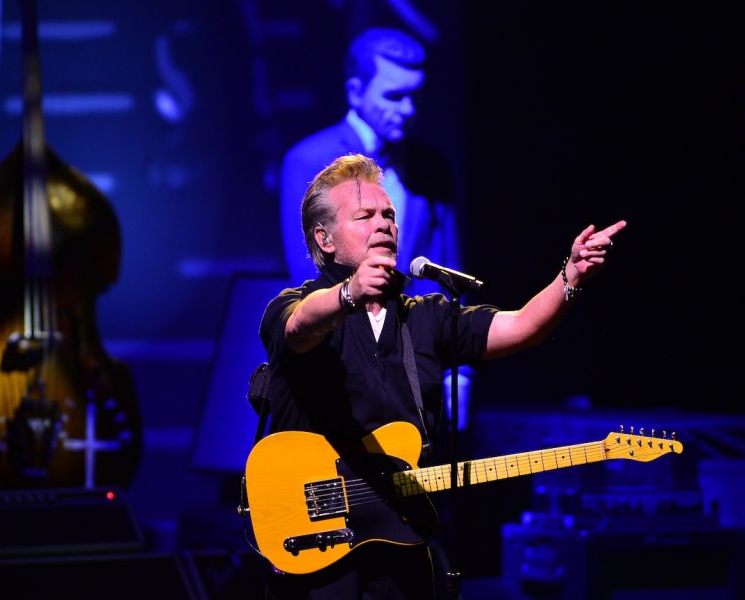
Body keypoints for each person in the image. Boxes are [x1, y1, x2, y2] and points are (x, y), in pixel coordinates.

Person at [258, 153, 626, 599]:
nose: (384, 225)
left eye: (389, 215)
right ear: (325, 239)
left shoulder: (426, 318)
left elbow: (523, 326)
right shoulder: (294, 306)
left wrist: (571, 277)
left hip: (403, 542)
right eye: (365, 216)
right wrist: (349, 294)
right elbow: (300, 327)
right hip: (323, 548)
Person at [280, 27, 459, 294]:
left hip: (422, 331)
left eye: (415, 95)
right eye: (393, 96)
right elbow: (307, 277)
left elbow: (449, 272)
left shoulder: (430, 164)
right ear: (355, 92)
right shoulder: (309, 161)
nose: (409, 109)